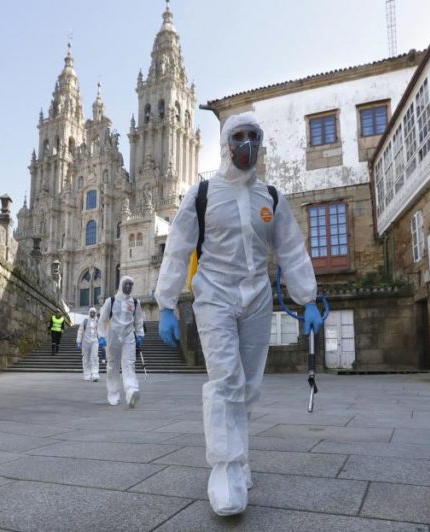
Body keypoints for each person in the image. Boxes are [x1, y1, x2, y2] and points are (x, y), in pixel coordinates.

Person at [155, 112, 323, 516]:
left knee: (248, 386)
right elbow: (177, 249)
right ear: (226, 144)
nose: (245, 143)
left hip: (258, 296)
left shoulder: (272, 198)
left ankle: (240, 457)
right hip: (214, 293)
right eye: (238, 136)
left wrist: (309, 299)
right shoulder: (202, 194)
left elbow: (291, 249)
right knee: (226, 379)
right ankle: (225, 473)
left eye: (253, 136)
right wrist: (165, 304)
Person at [98, 276, 145, 407]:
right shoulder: (111, 301)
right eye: (126, 284)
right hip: (112, 335)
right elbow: (102, 320)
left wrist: (140, 335)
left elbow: (139, 320)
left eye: (131, 284)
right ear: (121, 285)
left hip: (128, 335)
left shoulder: (135, 303)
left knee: (129, 363)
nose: (128, 287)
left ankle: (131, 390)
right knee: (113, 365)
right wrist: (101, 336)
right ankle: (113, 394)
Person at [76, 307, 102, 382]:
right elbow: (80, 331)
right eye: (91, 312)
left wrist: (101, 338)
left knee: (94, 357)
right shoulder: (85, 321)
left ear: (95, 313)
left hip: (94, 341)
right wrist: (78, 341)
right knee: (86, 358)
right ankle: (87, 374)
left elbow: (100, 331)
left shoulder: (97, 321)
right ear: (89, 313)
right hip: (85, 342)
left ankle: (95, 373)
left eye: (94, 312)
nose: (93, 314)